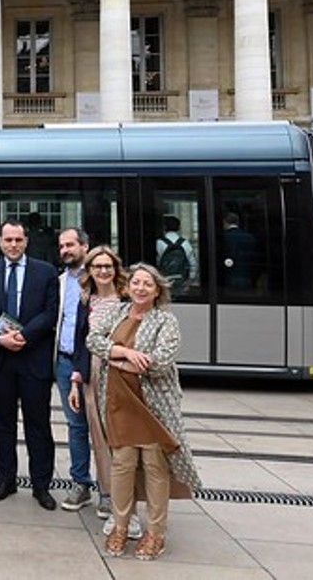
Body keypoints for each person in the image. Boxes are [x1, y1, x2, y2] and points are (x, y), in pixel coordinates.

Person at [87, 263, 201, 560]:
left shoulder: (166, 321)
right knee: (122, 467)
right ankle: (121, 527)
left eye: (146, 284)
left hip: (151, 407)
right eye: (135, 282)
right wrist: (125, 353)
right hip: (117, 402)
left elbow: (161, 361)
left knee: (155, 469)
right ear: (127, 287)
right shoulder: (116, 312)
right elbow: (93, 340)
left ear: (157, 290)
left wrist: (118, 361)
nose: (140, 288)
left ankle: (155, 533)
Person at [0, 219, 60, 510]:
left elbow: (51, 312)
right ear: (0, 241)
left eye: (18, 240)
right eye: (8, 240)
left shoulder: (46, 272)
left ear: (26, 242)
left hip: (32, 358)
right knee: (2, 424)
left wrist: (23, 335)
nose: (13, 245)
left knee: (38, 426)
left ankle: (41, 486)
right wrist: (1, 338)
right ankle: (6, 480)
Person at [68, 246, 142, 539]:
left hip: (124, 374)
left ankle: (130, 509)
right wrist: (76, 380)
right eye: (96, 266)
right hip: (93, 377)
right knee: (100, 440)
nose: (102, 271)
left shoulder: (128, 298)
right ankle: (111, 499)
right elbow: (79, 342)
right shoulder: (86, 300)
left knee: (125, 442)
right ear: (89, 271)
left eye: (107, 266)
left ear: (116, 268)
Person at [55, 227, 96, 512]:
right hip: (65, 361)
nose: (65, 250)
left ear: (85, 245)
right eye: (62, 246)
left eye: (70, 245)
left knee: (103, 429)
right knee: (76, 425)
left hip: (95, 363)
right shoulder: (60, 282)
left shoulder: (100, 278)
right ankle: (81, 483)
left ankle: (108, 490)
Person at [155, 215, 197, 295]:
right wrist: (190, 280)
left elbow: (157, 262)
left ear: (164, 227)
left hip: (164, 279)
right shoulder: (185, 243)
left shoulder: (159, 243)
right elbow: (193, 264)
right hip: (181, 279)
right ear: (179, 227)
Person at [220, 211, 259, 291]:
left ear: (224, 222)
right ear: (237, 222)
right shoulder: (250, 237)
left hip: (229, 278)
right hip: (247, 277)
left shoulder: (223, 238)